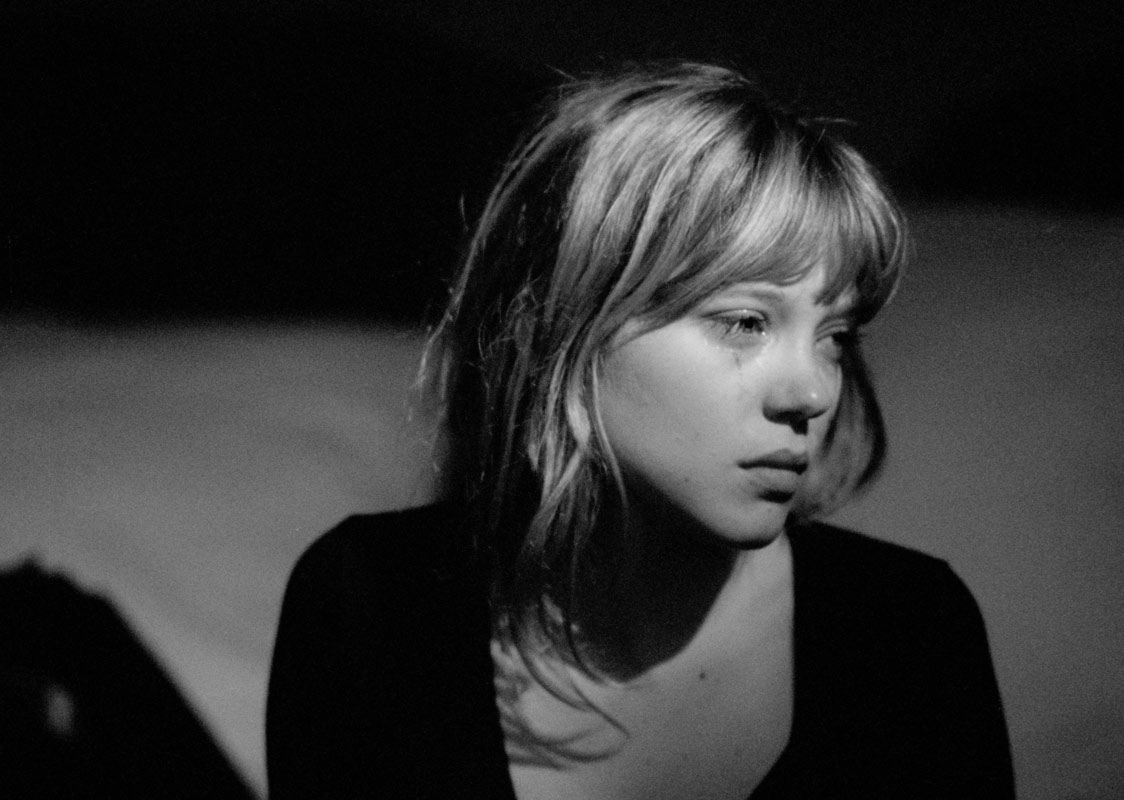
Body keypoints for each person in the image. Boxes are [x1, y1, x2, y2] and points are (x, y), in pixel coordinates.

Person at [266, 62, 1014, 799]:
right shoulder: (367, 606)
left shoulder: (909, 633)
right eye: (744, 322)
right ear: (566, 326)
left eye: (836, 337)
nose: (813, 393)